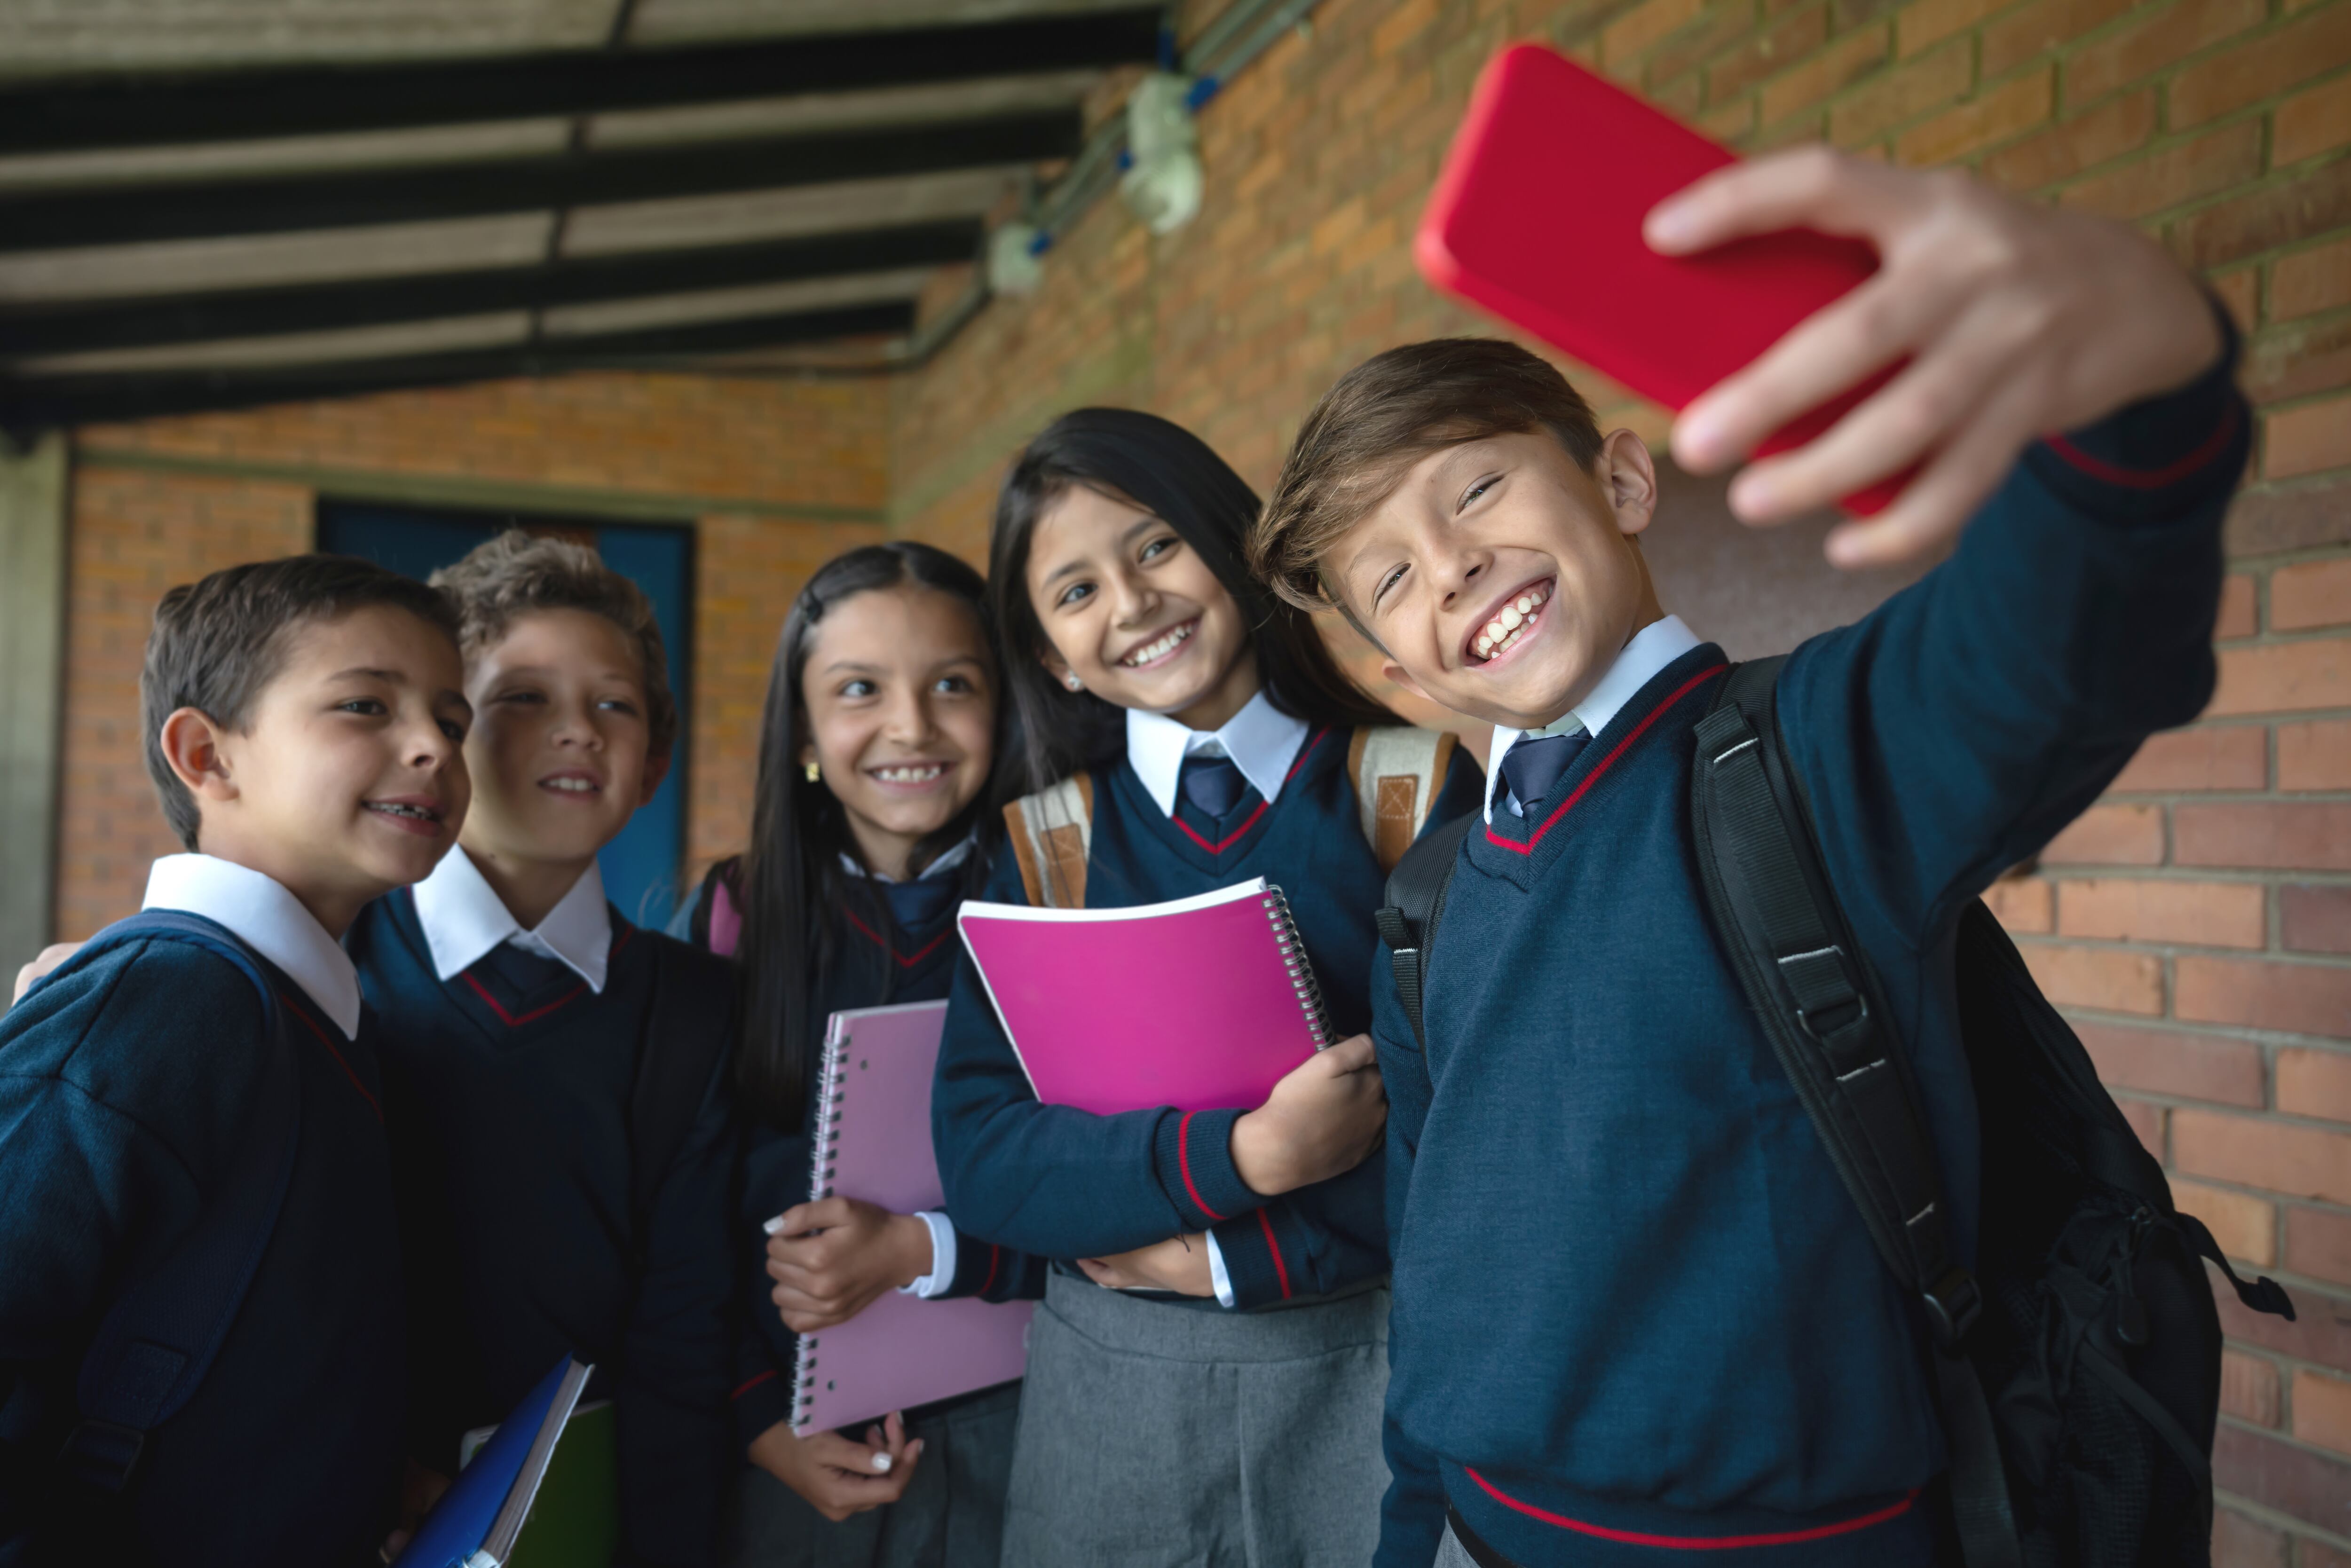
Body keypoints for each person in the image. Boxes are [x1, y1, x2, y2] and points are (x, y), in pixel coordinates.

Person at [1245, 147, 2248, 1568]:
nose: (1450, 567)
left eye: (1473, 491)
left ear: (1626, 481)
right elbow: (1438, 1275)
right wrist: (1414, 1534)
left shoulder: (1805, 763)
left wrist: (2139, 386)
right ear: (1394, 663)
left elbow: (2059, 642)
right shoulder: (1431, 902)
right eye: (1390, 578)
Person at [930, 408, 1486, 1568]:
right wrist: (1241, 1160)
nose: (1131, 605)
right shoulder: (1045, 851)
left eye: (1154, 547)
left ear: (1237, 545)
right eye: (1074, 592)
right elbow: (984, 1157)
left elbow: (1485, 1135)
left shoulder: (1413, 789)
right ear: (1043, 650)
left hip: (1374, 1370)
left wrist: (1238, 1254)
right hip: (1114, 1391)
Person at [0, 555, 472, 1567]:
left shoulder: (315, 1020)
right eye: (364, 706)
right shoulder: (172, 1001)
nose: (432, 746)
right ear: (208, 756)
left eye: (452, 718)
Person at [343, 531, 735, 1568]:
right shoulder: (322, 960)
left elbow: (683, 1338)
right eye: (520, 699)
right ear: (442, 736)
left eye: (614, 705)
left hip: (589, 1521)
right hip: (338, 1505)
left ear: (654, 764)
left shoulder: (698, 1010)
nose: (577, 732)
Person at [673, 541, 1044, 1568]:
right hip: (795, 1439)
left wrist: (922, 1248)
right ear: (801, 727)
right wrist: (760, 1415)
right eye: (858, 690)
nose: (910, 726)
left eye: (954, 685)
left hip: (1029, 1428)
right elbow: (682, 1205)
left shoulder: (1062, 902)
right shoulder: (736, 915)